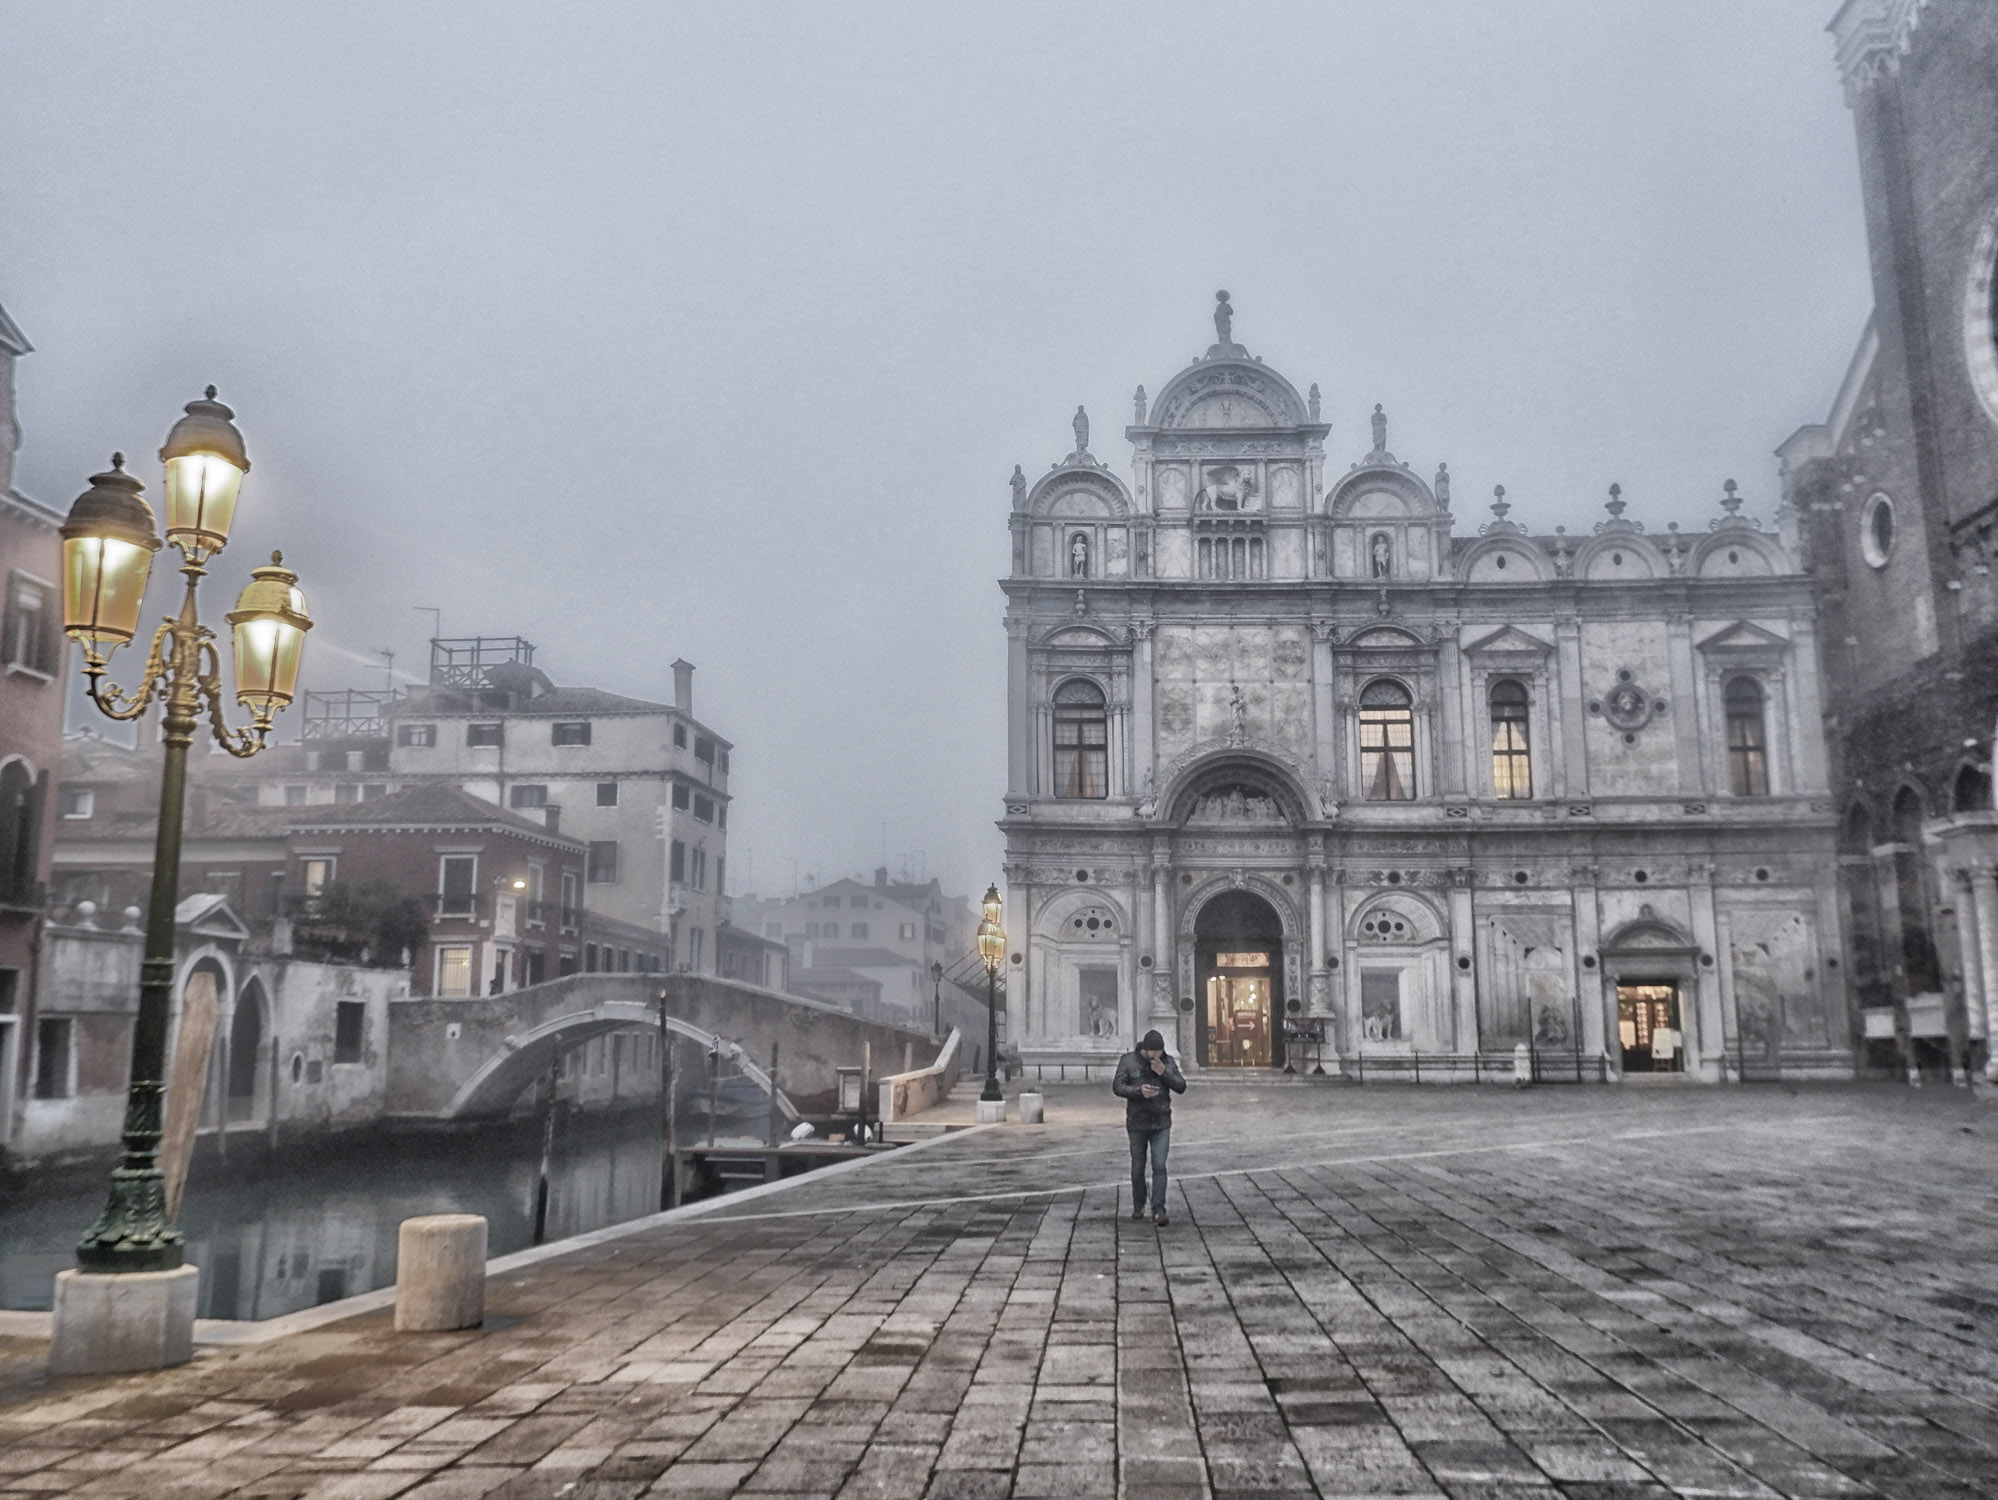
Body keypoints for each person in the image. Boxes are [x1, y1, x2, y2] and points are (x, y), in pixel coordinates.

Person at [1114, 1028, 1186, 1226]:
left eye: (1160, 1052)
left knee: (1159, 1165)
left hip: (1161, 1121)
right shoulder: (1128, 1061)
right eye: (1153, 1053)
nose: (1156, 1056)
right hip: (1137, 1122)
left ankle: (1159, 1209)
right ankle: (1139, 1204)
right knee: (1138, 1167)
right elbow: (1117, 1086)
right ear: (1145, 1050)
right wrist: (1138, 1091)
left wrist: (1164, 1074)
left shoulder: (1167, 1062)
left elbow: (1181, 1086)